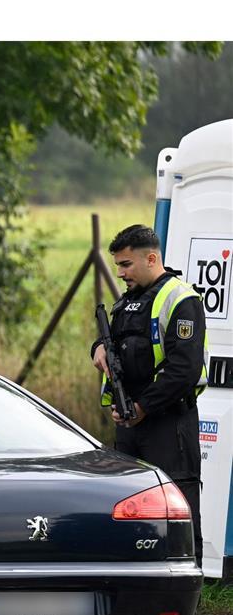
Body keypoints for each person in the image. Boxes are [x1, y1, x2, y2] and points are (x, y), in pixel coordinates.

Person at [92, 224, 209, 566]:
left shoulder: (180, 299)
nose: (121, 272)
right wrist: (96, 348)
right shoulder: (128, 301)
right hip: (130, 423)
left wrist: (143, 407)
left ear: (151, 258)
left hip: (168, 424)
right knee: (130, 509)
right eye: (118, 265)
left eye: (126, 264)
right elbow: (118, 342)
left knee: (177, 513)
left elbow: (183, 371)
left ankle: (186, 604)